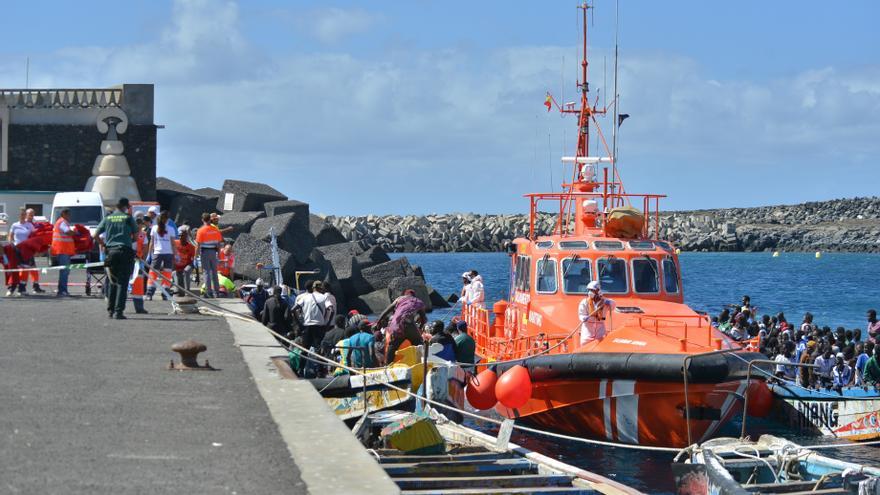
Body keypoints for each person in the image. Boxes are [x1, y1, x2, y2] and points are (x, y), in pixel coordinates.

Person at [94, 198, 138, 319]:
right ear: (125, 206)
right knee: (122, 283)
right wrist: (129, 240)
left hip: (111, 252)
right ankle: (119, 312)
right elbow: (136, 236)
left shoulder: (108, 218)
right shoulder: (128, 218)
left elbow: (95, 235)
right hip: (124, 251)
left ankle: (110, 311)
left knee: (112, 282)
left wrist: (103, 244)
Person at [377, 289, 427, 363]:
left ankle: (387, 365)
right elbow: (423, 319)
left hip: (396, 326)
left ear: (405, 294)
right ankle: (420, 363)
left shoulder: (399, 299)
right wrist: (420, 328)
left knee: (393, 346)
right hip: (409, 324)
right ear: (414, 295)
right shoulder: (418, 302)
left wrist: (378, 322)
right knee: (418, 343)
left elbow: (386, 311)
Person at [146, 211, 177, 300]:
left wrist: (149, 254)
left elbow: (151, 242)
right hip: (168, 253)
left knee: (153, 273)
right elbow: (173, 243)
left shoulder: (154, 228)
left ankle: (149, 293)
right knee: (167, 273)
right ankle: (165, 293)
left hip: (157, 253)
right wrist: (176, 254)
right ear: (167, 219)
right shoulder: (171, 229)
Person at [293, 280, 331, 351]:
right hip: (319, 327)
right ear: (321, 288)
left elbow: (293, 310)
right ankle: (318, 361)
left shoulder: (303, 297)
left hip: (306, 326)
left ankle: (303, 361)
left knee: (305, 350)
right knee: (319, 349)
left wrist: (299, 323)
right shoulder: (324, 297)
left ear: (313, 288)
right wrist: (327, 323)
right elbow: (331, 309)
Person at [51, 207, 79, 297]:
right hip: (63, 250)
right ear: (63, 214)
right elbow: (67, 232)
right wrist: (75, 233)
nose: (69, 216)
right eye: (68, 214)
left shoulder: (60, 221)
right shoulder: (63, 222)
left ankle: (62, 290)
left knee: (64, 271)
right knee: (64, 271)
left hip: (61, 250)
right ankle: (62, 291)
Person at [195, 213, 223, 298]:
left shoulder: (201, 230)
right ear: (210, 219)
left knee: (206, 272)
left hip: (205, 252)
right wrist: (218, 254)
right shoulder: (215, 229)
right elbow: (219, 243)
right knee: (214, 272)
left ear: (202, 220)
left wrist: (196, 255)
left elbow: (198, 245)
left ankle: (209, 292)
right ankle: (217, 292)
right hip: (214, 252)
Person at [6, 208, 32, 296]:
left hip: (26, 250)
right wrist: (11, 243)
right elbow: (10, 236)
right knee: (14, 269)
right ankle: (11, 288)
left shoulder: (30, 225)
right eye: (21, 214)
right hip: (16, 249)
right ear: (19, 215)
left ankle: (22, 289)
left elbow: (34, 236)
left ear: (26, 215)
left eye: (24, 214)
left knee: (25, 270)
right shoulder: (14, 225)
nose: (22, 216)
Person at [174, 226, 196, 295]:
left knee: (186, 271)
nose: (180, 237)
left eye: (182, 236)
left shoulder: (191, 247)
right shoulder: (174, 243)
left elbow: (194, 259)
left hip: (187, 264)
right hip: (176, 265)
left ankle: (187, 291)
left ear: (186, 236)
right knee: (175, 273)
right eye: (179, 236)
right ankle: (177, 290)